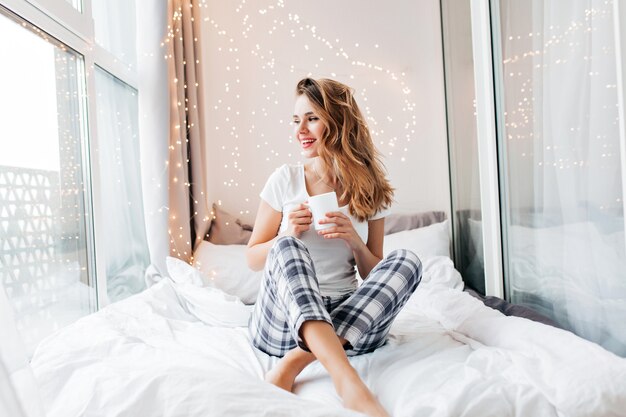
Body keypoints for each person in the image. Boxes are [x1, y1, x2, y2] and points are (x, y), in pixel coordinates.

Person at [246, 77, 422, 417]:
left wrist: (354, 241)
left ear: (338, 121)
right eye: (296, 120)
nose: (301, 130)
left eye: (311, 118)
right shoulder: (285, 179)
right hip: (283, 325)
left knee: (407, 261)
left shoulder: (370, 189)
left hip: (349, 320)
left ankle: (297, 361)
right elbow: (253, 258)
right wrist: (285, 233)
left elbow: (376, 274)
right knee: (287, 248)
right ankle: (348, 382)